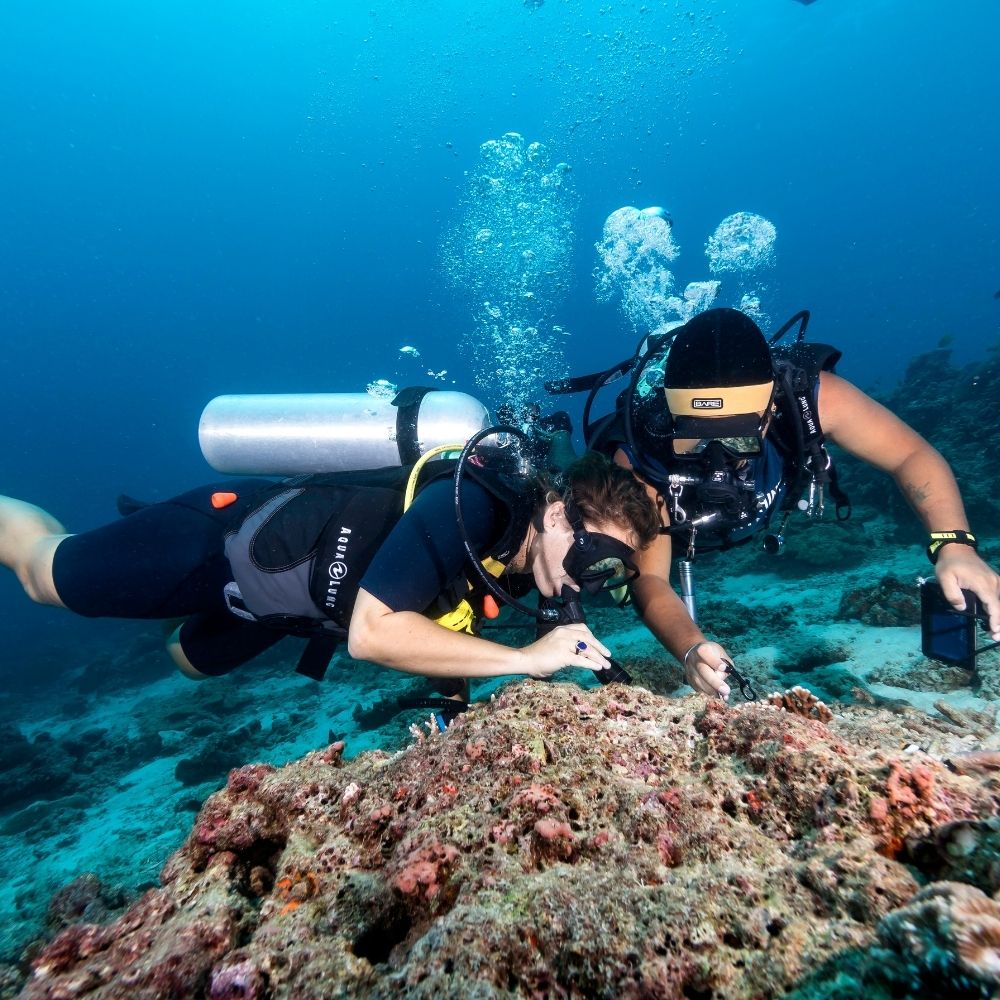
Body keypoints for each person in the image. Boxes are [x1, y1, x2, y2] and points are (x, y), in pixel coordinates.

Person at [579, 307, 1000, 700]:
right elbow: (651, 579)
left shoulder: (812, 398)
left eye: (738, 436)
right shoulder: (643, 452)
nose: (717, 458)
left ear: (769, 411)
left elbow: (911, 455)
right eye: (696, 436)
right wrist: (691, 649)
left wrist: (955, 545)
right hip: (687, 534)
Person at [0, 451, 660, 692]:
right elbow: (373, 636)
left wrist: (451, 708)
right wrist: (526, 662)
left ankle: (145, 566)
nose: (590, 581)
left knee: (185, 659)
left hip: (282, 608)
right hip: (219, 542)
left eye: (610, 573)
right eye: (593, 558)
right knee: (43, 575)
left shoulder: (525, 564)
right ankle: (141, 532)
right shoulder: (475, 505)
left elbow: (447, 616)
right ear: (554, 514)